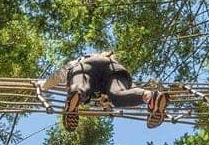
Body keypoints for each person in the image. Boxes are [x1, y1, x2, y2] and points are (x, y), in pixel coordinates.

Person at [41, 51, 169, 130]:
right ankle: (150, 97)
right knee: (118, 95)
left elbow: (59, 75)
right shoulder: (112, 59)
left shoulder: (80, 59)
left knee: (81, 85)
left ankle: (76, 94)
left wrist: (43, 86)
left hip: (85, 66)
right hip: (115, 69)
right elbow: (132, 90)